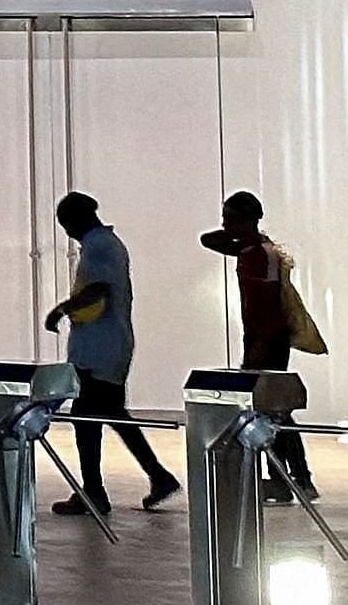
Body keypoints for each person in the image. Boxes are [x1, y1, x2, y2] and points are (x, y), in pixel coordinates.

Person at [44, 192, 180, 514]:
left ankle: (93, 492)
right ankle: (157, 476)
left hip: (99, 348)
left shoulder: (99, 246)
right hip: (108, 345)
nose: (66, 232)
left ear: (75, 220)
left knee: (86, 418)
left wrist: (62, 310)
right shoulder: (107, 243)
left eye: (65, 224)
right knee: (113, 415)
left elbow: (99, 288)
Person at [201, 190, 320, 500]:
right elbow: (208, 240)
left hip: (267, 340)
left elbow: (266, 306)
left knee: (274, 412)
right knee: (271, 411)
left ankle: (296, 478)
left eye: (230, 218)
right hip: (261, 338)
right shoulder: (253, 250)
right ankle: (288, 477)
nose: (224, 224)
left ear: (248, 220)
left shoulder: (258, 255)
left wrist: (257, 351)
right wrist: (243, 234)